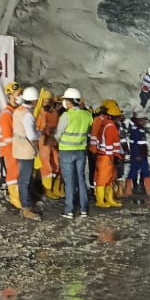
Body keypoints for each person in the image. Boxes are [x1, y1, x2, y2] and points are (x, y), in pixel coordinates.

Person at [56, 88, 93, 219]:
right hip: (81, 151)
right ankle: (84, 209)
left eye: (65, 100)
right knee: (81, 180)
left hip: (66, 151)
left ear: (69, 102)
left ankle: (69, 210)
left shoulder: (66, 116)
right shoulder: (87, 115)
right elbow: (89, 129)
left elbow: (58, 134)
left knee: (69, 181)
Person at [12, 86, 42, 219]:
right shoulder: (28, 115)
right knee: (25, 179)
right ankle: (26, 208)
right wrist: (40, 132)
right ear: (34, 101)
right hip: (26, 150)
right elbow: (32, 136)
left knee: (24, 178)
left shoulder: (18, 110)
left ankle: (26, 203)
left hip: (18, 148)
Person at [93, 100, 125, 208]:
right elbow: (110, 145)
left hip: (105, 156)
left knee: (109, 179)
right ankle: (100, 200)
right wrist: (113, 157)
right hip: (106, 157)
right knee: (103, 179)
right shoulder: (110, 127)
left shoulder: (106, 124)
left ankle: (109, 198)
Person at [0, 81, 24, 209]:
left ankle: (20, 197)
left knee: (20, 173)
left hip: (18, 148)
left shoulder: (16, 111)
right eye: (18, 94)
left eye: (20, 93)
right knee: (13, 174)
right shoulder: (7, 114)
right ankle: (15, 199)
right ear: (10, 96)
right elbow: (8, 137)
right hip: (11, 149)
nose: (19, 96)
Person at [35, 88, 63, 199]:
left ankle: (53, 188)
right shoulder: (39, 113)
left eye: (49, 101)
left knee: (56, 163)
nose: (47, 103)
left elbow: (56, 127)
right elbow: (37, 129)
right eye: (45, 101)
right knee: (46, 165)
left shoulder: (54, 113)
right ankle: (46, 189)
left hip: (52, 140)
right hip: (43, 141)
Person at [129, 108, 150, 197]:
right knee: (133, 172)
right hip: (138, 155)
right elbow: (135, 144)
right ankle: (128, 189)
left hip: (142, 155)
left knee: (145, 171)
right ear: (140, 120)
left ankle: (149, 190)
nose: (145, 121)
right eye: (144, 119)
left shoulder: (141, 129)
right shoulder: (136, 130)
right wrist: (137, 155)